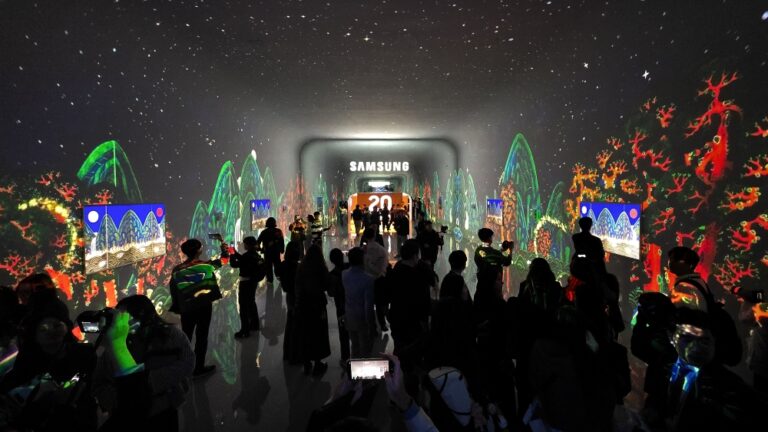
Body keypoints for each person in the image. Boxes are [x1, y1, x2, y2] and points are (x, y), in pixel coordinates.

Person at [93, 295, 195, 431]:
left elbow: (187, 363)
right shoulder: (115, 343)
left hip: (164, 407)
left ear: (144, 315)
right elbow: (100, 382)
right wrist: (119, 400)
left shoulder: (170, 335)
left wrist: (150, 382)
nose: (121, 323)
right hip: (127, 414)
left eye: (125, 317)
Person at [0, 291, 97, 431]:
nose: (51, 331)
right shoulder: (24, 362)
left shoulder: (85, 354)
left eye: (56, 325)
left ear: (66, 327)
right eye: (43, 328)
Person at [665, 308, 762, 430]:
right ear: (671, 338)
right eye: (688, 339)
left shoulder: (730, 390)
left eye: (704, 340)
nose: (696, 347)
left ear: (714, 341)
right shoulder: (666, 370)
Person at [668, 246, 742, 366]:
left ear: (688, 264)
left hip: (692, 346)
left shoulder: (685, 287)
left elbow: (687, 319)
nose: (670, 263)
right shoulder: (698, 281)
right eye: (670, 259)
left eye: (674, 260)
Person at [169, 238, 225, 377]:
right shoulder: (206, 265)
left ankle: (184, 365)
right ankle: (198, 367)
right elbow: (224, 260)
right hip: (204, 306)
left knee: (186, 336)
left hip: (187, 308)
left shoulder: (177, 270)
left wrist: (177, 306)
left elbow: (174, 290)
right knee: (202, 336)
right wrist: (224, 247)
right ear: (199, 250)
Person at [386, 239, 432, 395]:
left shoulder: (396, 270)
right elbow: (424, 302)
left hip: (397, 320)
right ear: (414, 256)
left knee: (400, 351)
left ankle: (397, 386)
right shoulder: (417, 276)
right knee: (413, 356)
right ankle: (411, 390)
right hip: (413, 323)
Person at [295, 245, 332, 376]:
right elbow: (327, 285)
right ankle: (317, 363)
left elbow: (297, 286)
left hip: (303, 305)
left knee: (305, 333)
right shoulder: (321, 268)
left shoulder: (301, 268)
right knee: (318, 333)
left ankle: (306, 363)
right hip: (318, 305)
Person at [230, 236, 267, 338]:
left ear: (248, 245)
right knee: (251, 302)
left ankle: (245, 330)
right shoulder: (255, 255)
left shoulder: (247, 256)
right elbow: (243, 259)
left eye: (244, 243)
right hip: (253, 282)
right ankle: (255, 325)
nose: (243, 245)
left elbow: (234, 264)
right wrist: (234, 252)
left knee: (243, 307)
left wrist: (232, 255)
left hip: (246, 283)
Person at [342, 248, 376, 358]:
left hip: (349, 315)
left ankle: (353, 367)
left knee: (355, 346)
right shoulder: (368, 279)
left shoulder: (344, 274)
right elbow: (368, 306)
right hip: (362, 318)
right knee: (365, 348)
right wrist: (371, 324)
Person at [276, 241, 302, 364]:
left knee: (290, 323)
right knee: (297, 325)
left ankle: (288, 353)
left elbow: (278, 274)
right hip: (298, 297)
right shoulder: (298, 267)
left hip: (289, 296)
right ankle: (295, 355)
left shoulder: (283, 265)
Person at [362, 228, 389, 332]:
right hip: (379, 279)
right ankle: (382, 323)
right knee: (379, 302)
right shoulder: (381, 250)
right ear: (374, 236)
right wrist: (380, 272)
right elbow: (384, 266)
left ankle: (371, 326)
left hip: (366, 280)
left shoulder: (363, 250)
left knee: (368, 303)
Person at [328, 248, 351, 363]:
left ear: (332, 260)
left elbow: (331, 293)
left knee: (343, 333)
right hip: (354, 305)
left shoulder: (332, 275)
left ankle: (345, 357)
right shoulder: (350, 268)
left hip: (341, 308)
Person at [255, 216, 284, 284]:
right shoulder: (278, 231)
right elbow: (281, 242)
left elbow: (257, 242)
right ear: (274, 223)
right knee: (277, 266)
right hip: (276, 252)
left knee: (268, 267)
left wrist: (260, 249)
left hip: (267, 253)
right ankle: (279, 278)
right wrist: (282, 250)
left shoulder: (264, 232)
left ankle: (270, 281)